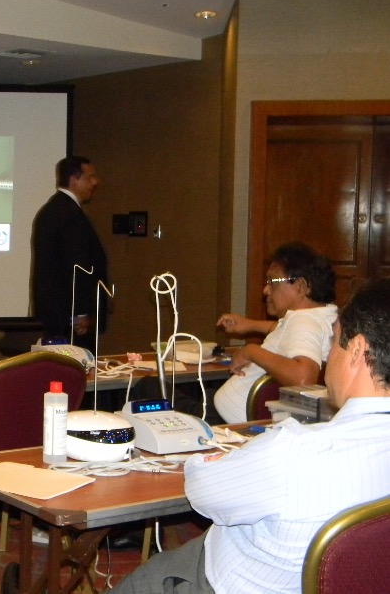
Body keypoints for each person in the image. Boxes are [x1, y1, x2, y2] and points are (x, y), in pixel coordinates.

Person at [113, 277, 390, 594]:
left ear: (356, 350)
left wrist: (212, 462)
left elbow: (203, 492)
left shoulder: (295, 451)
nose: (328, 355)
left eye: (334, 339)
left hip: (218, 581)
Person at [213, 241, 337, 423]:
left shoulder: (303, 321)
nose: (266, 290)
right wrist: (251, 325)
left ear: (300, 286)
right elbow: (289, 334)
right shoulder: (326, 316)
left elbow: (303, 378)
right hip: (239, 421)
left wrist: (251, 351)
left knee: (170, 396)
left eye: (273, 281)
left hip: (234, 427)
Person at [31, 155, 109, 352]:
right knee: (76, 365)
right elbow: (78, 265)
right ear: (74, 179)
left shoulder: (55, 209)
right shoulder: (68, 214)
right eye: (90, 177)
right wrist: (80, 313)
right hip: (70, 318)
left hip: (59, 314)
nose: (96, 182)